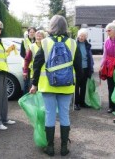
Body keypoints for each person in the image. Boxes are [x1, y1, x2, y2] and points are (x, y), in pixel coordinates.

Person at [29, 15, 81, 156]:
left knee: (50, 115)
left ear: (51, 26)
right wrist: (77, 84)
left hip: (48, 86)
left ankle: (50, 147)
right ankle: (64, 147)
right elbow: (79, 66)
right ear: (65, 27)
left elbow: (37, 65)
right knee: (64, 114)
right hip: (67, 86)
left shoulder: (45, 42)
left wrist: (34, 84)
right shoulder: (73, 43)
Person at [99, 23, 115, 113]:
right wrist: (101, 65)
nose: (107, 32)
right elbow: (105, 54)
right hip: (109, 66)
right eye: (106, 30)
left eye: (109, 30)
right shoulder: (107, 41)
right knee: (110, 86)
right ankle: (112, 106)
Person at [74, 28, 94, 111]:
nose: (81, 37)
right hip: (77, 68)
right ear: (78, 36)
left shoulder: (87, 45)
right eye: (80, 36)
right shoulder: (75, 44)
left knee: (83, 86)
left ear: (86, 37)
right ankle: (76, 103)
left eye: (83, 36)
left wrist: (91, 68)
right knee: (76, 86)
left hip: (86, 68)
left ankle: (82, 102)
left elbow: (90, 57)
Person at [21, 27, 36, 94]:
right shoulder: (24, 41)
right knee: (26, 83)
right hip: (26, 65)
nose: (32, 33)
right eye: (30, 32)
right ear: (28, 33)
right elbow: (22, 53)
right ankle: (26, 99)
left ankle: (34, 100)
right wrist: (28, 58)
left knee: (34, 83)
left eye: (33, 32)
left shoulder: (38, 40)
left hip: (35, 65)